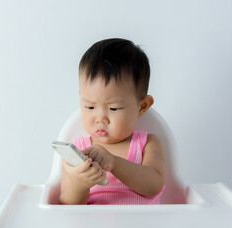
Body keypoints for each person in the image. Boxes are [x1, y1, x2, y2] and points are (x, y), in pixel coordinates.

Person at [59, 38, 166, 205]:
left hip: (143, 227)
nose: (100, 118)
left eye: (114, 108)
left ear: (142, 106)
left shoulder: (148, 144)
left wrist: (114, 163)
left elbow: (154, 186)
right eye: (89, 107)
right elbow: (66, 206)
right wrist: (80, 185)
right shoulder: (78, 151)